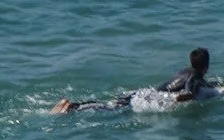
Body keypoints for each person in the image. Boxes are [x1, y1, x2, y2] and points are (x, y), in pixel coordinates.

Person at [53, 48, 215, 114]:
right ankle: (72, 107)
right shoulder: (195, 76)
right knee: (112, 108)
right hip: (150, 97)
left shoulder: (185, 71)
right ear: (206, 66)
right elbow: (188, 92)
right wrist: (175, 101)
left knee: (112, 104)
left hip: (146, 92)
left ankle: (74, 105)